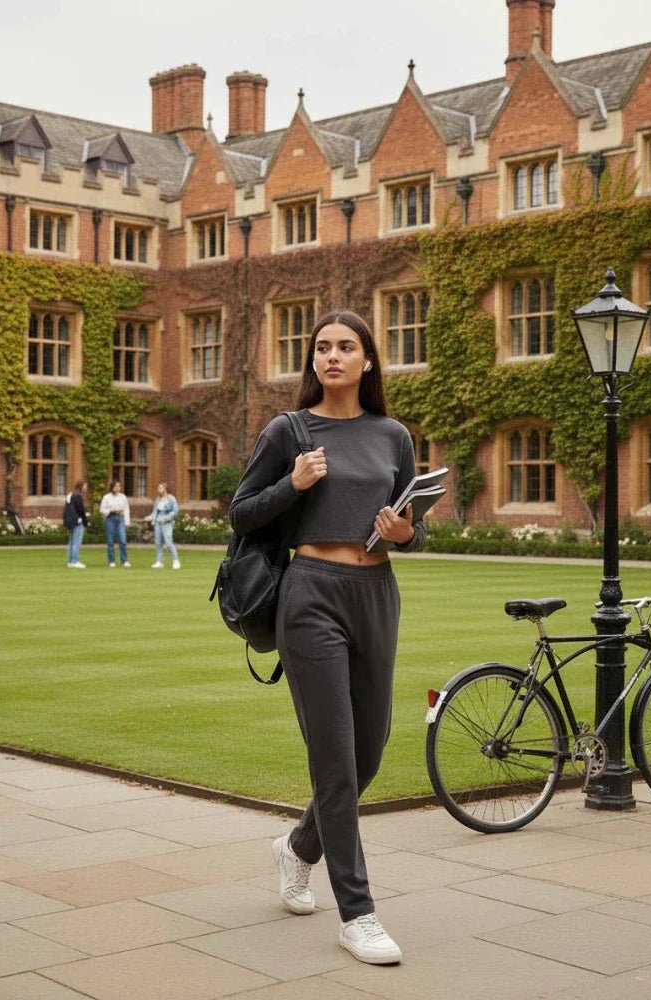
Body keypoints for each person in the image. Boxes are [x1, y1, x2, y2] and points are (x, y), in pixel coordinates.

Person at [229, 310, 425, 966]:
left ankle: (298, 847)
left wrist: (408, 534)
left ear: (368, 360)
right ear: (312, 361)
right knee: (336, 760)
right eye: (321, 348)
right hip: (310, 594)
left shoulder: (392, 435)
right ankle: (359, 913)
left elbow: (410, 522)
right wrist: (295, 482)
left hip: (378, 592)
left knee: (368, 754)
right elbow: (241, 511)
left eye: (345, 347)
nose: (331, 356)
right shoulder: (290, 430)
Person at [100, 479, 131, 567]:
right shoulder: (106, 497)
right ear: (112, 487)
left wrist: (127, 521)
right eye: (116, 486)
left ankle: (124, 560)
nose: (117, 488)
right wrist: (110, 511)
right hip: (110, 518)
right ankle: (111, 561)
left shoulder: (123, 497)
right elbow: (102, 509)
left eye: (119, 486)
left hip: (120, 518)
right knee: (110, 541)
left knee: (123, 540)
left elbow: (126, 509)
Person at [150, 482, 181, 569]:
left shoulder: (171, 499)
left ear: (165, 489)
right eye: (158, 488)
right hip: (158, 522)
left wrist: (168, 518)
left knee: (168, 542)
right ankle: (159, 561)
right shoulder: (158, 499)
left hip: (167, 523)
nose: (159, 490)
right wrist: (153, 519)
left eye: (160, 488)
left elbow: (175, 511)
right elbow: (155, 511)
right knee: (158, 542)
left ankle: (175, 560)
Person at [65, 479, 89, 568]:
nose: (86, 488)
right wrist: (85, 520)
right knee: (76, 542)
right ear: (81, 486)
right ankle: (75, 561)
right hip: (77, 521)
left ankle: (70, 561)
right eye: (85, 486)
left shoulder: (70, 495)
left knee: (71, 542)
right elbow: (80, 510)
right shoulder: (78, 496)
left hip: (70, 521)